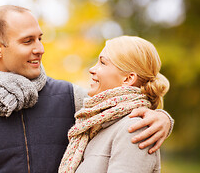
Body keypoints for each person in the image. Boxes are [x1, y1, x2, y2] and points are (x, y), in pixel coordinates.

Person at [0, 5, 173, 173]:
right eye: (27, 41)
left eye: (39, 38)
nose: (40, 48)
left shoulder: (71, 98)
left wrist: (162, 118)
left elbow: (118, 111)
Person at [59, 36, 169, 173]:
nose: (92, 69)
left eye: (102, 63)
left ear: (128, 79)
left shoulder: (134, 129)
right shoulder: (96, 125)